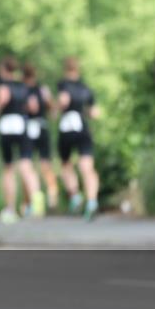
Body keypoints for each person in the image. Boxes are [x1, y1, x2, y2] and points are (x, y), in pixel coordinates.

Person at [0, 56, 44, 223]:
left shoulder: (3, 85)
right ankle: (36, 198)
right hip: (23, 124)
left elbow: (3, 98)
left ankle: (10, 208)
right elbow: (33, 106)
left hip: (8, 125)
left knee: (8, 168)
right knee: (26, 164)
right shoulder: (23, 85)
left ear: (3, 70)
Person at [57, 56, 101, 221]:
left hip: (67, 128)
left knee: (66, 164)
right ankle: (91, 201)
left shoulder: (63, 85)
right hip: (83, 128)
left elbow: (62, 102)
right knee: (87, 167)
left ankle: (75, 195)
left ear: (65, 69)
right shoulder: (86, 88)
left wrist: (56, 108)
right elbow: (95, 113)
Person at [23, 62, 60, 211]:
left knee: (27, 167)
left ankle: (29, 203)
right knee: (45, 165)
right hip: (42, 126)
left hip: (28, 129)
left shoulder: (22, 90)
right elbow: (53, 111)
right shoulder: (43, 90)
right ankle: (52, 195)